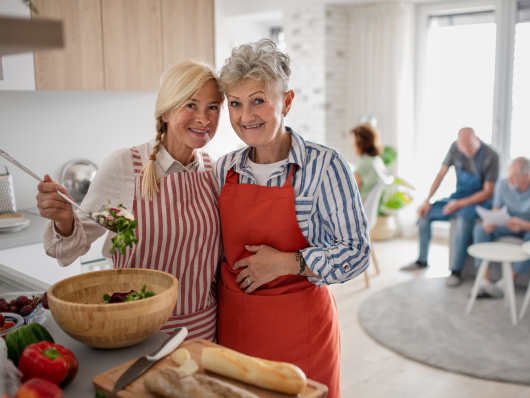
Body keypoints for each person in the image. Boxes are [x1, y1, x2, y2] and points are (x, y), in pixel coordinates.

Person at [215, 39, 370, 398]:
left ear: (286, 102)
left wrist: (289, 262)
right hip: (236, 328)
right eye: (235, 104)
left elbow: (357, 252)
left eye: (258, 100)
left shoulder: (324, 166)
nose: (245, 116)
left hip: (303, 333)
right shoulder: (224, 170)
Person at [36, 60, 225, 341]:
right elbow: (67, 252)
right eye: (190, 105)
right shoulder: (126, 166)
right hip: (137, 332)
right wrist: (64, 220)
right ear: (165, 112)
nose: (204, 118)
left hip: (203, 331)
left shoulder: (214, 170)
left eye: (213, 107)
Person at [401, 127, 499, 287]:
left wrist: (460, 204)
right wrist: (427, 200)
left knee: (462, 218)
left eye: (470, 147)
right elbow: (441, 174)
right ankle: (422, 260)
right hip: (458, 197)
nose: (466, 150)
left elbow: (488, 192)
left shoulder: (491, 156)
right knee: (425, 214)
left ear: (477, 141)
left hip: (478, 202)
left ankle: (456, 271)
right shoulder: (455, 148)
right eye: (463, 147)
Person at [473, 157, 530, 297]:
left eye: (514, 176)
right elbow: (495, 212)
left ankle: (506, 283)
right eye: (508, 174)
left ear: (527, 176)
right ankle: (485, 282)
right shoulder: (502, 184)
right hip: (508, 224)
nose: (509, 179)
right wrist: (490, 222)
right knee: (480, 229)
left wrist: (524, 224)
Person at [351, 124, 386, 200]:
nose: (352, 143)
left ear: (360, 142)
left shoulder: (364, 163)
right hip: (369, 206)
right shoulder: (377, 160)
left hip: (360, 205)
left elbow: (351, 190)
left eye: (354, 139)